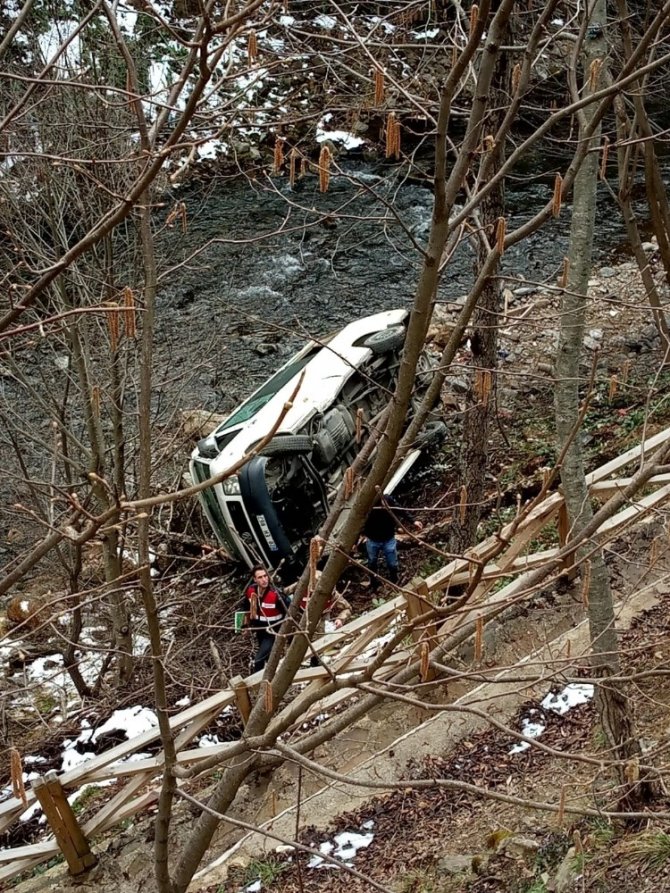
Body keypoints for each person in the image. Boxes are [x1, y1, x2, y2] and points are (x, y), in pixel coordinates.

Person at [363, 494, 423, 590]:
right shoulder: (368, 504)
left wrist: (413, 521)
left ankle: (394, 582)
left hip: (388, 538)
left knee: (392, 563)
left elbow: (400, 510)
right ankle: (374, 583)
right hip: (372, 539)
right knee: (372, 562)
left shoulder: (388, 500)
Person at [238, 564, 289, 673]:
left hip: (272, 629)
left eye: (265, 576)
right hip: (259, 627)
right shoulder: (251, 590)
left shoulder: (276, 595)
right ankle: (272, 675)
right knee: (267, 656)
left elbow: (289, 611)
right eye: (260, 577)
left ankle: (256, 679)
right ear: (255, 579)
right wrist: (244, 626)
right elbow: (245, 607)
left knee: (258, 660)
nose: (264, 580)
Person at [300, 571, 352, 666]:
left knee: (319, 641)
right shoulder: (301, 588)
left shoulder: (332, 594)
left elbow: (347, 608)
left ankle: (317, 661)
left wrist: (340, 619)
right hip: (302, 617)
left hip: (322, 617)